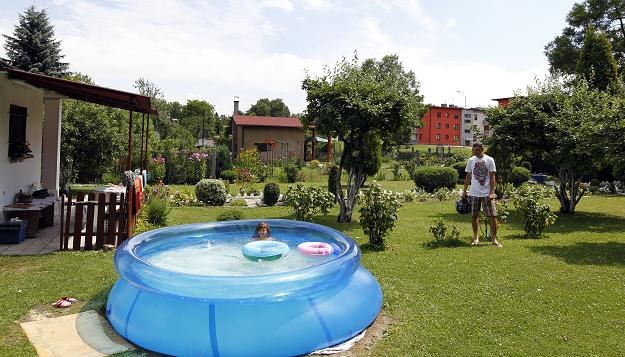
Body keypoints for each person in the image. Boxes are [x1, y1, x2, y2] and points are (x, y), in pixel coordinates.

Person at [462, 142, 502, 248]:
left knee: (492, 216)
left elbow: (493, 177)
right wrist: (465, 191)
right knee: (474, 216)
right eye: (474, 150)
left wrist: (491, 192)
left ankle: (494, 239)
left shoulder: (489, 160)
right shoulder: (471, 160)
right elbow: (468, 176)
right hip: (474, 193)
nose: (475, 152)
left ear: (482, 149)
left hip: (486, 193)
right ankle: (476, 238)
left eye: (477, 150)